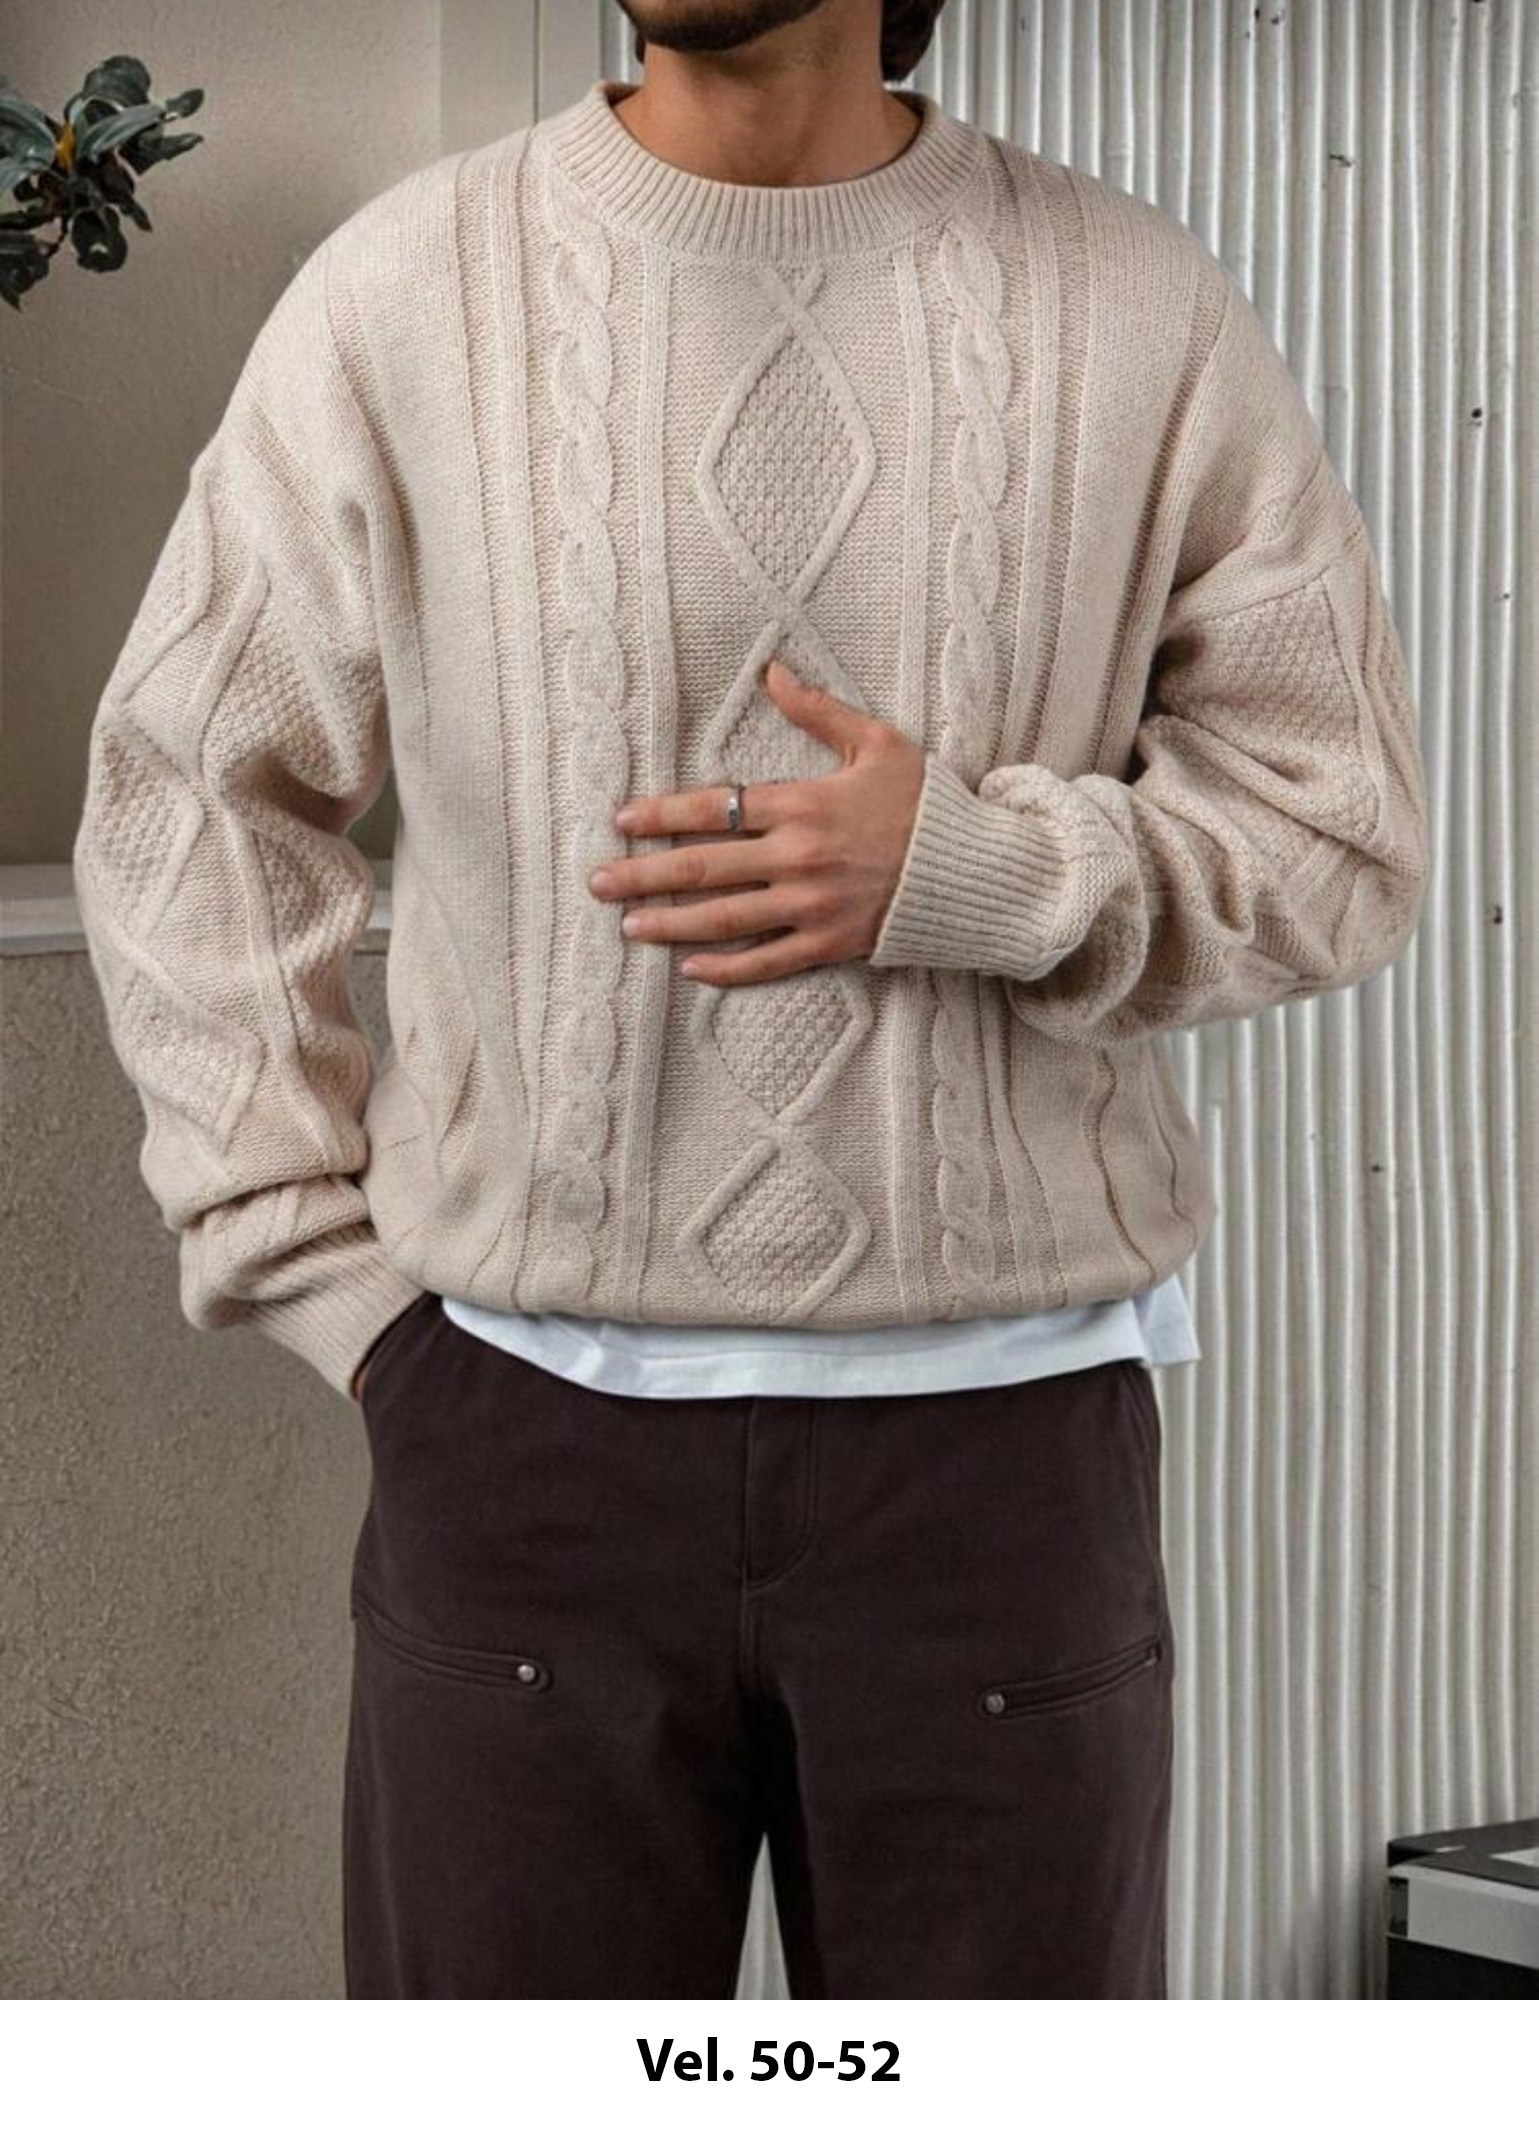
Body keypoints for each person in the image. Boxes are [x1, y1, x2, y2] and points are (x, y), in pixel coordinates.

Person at [71, 0, 1430, 1999]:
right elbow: (189, 796)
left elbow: (1340, 836)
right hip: (518, 1449)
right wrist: (337, 1294)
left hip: (995, 1468)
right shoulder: (405, 293)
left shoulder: (1137, 309)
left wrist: (971, 870)